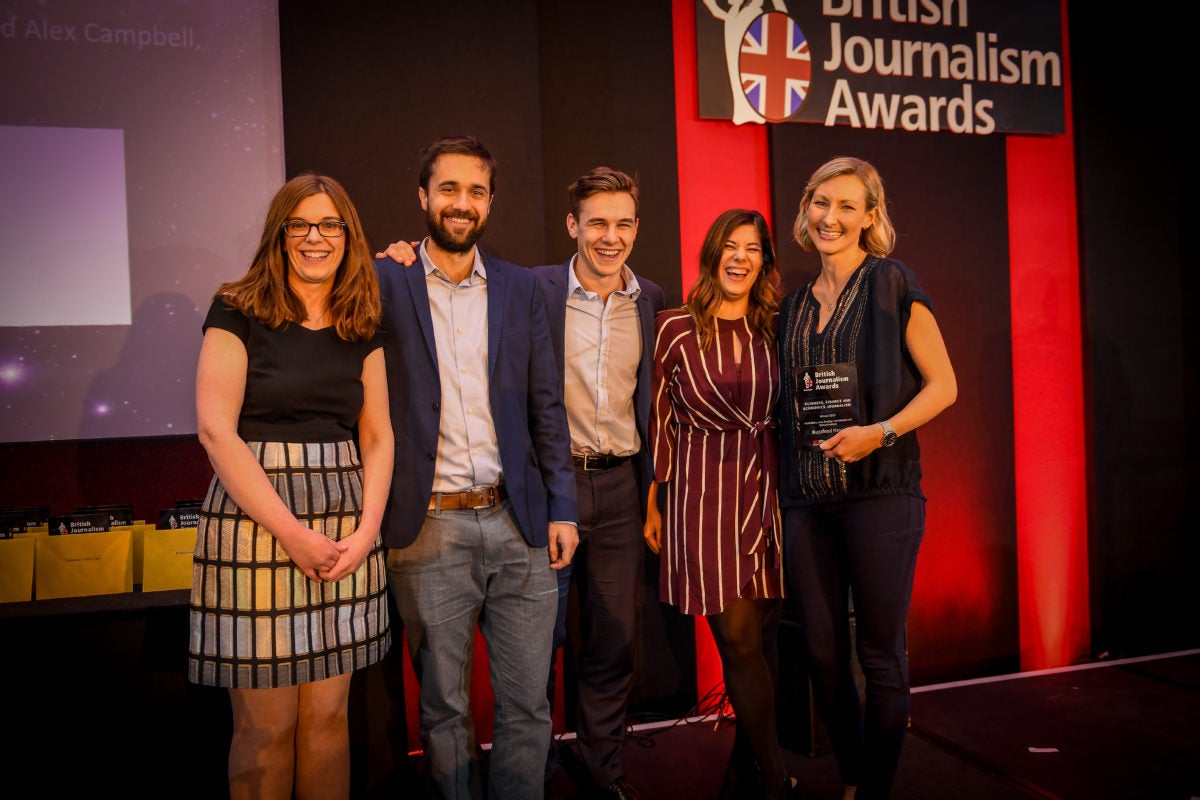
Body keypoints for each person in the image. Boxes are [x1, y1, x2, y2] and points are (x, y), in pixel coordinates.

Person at [374, 135, 579, 800]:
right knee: (443, 711)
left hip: (519, 525)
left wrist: (562, 508)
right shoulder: (384, 281)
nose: (462, 203)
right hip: (426, 529)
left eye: (476, 191)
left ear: (490, 202)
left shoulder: (520, 288)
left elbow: (547, 406)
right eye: (450, 189)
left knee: (529, 708)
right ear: (424, 198)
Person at [188, 173, 394, 800]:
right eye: (300, 224)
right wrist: (292, 533)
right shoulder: (238, 305)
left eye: (329, 224)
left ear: (347, 236)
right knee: (265, 730)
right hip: (255, 530)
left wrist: (365, 534)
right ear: (280, 235)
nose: (315, 237)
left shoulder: (363, 317)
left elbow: (379, 436)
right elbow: (215, 431)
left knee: (328, 720)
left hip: (345, 530)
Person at [777, 156, 957, 800]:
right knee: (823, 657)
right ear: (807, 209)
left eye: (848, 206)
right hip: (805, 498)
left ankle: (872, 790)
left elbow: (944, 387)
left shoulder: (892, 283)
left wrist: (878, 433)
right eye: (822, 202)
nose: (831, 217)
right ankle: (855, 773)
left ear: (870, 217)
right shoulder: (792, 306)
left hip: (882, 493)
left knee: (879, 655)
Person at [643, 208, 798, 800]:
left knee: (763, 641)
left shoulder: (777, 328)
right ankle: (778, 777)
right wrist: (655, 499)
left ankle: (744, 766)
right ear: (712, 254)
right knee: (735, 639)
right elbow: (660, 418)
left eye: (753, 248)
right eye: (730, 246)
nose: (740, 257)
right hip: (700, 493)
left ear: (765, 261)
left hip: (768, 490)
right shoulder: (673, 326)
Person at [531, 167, 666, 800]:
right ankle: (533, 770)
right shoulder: (533, 293)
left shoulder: (652, 300)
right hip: (547, 491)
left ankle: (601, 770)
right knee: (537, 641)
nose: (609, 238)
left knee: (614, 641)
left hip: (620, 492)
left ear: (636, 228)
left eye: (622, 224)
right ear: (573, 225)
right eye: (597, 224)